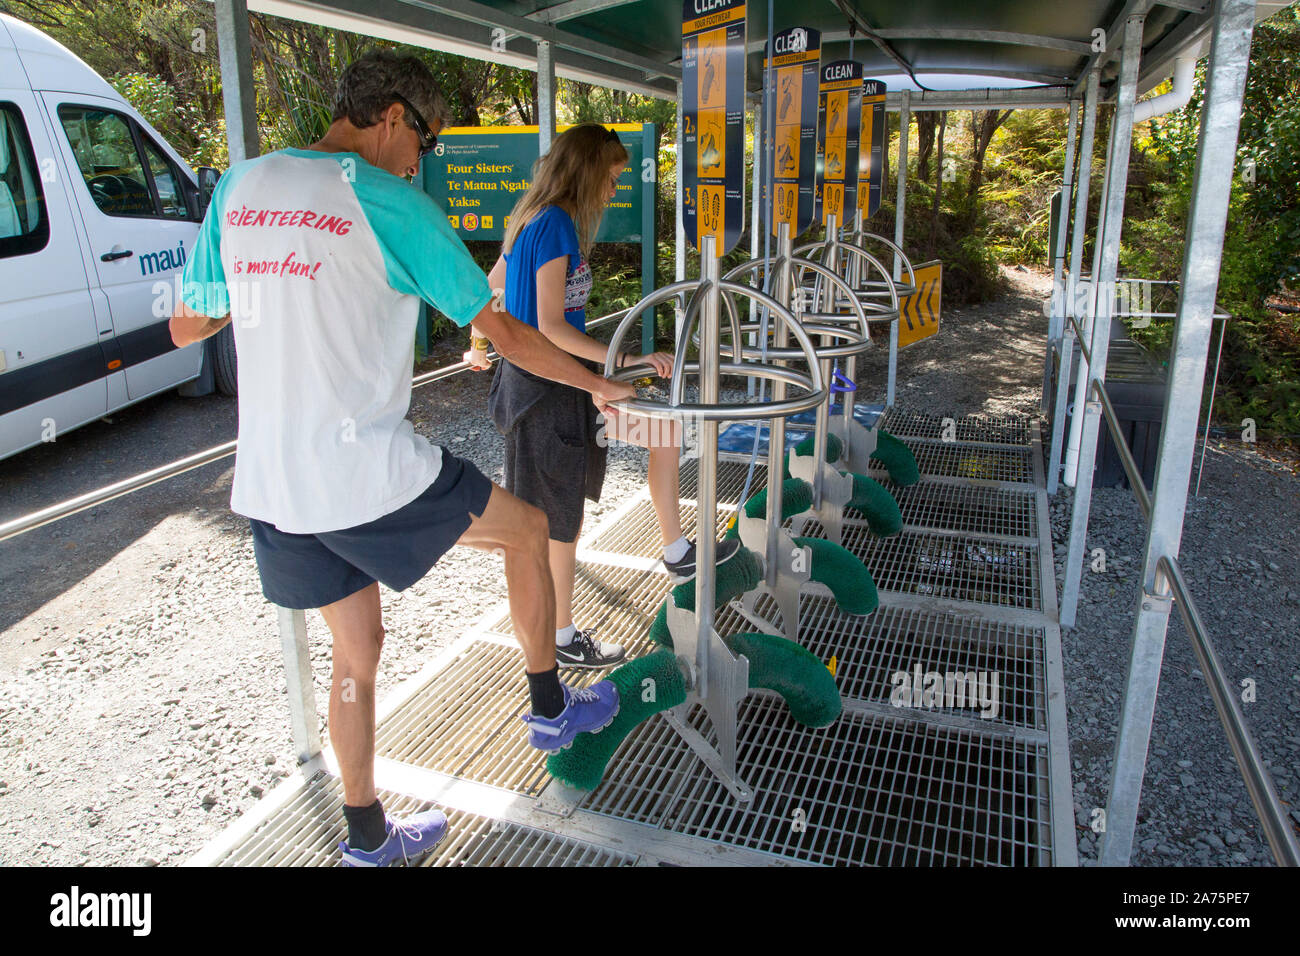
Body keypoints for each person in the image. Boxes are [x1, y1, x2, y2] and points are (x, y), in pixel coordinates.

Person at [169, 52, 636, 868]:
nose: (423, 160)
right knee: (528, 530)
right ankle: (551, 707)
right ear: (391, 118)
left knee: (358, 651)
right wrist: (602, 382)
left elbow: (187, 325)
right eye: (425, 141)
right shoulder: (390, 202)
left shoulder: (240, 188)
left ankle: (366, 839)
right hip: (365, 472)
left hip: (275, 485)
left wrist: (270, 282)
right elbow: (508, 333)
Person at [466, 124, 738, 670]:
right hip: (546, 386)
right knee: (554, 519)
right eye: (611, 177)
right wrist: (615, 371)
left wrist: (478, 339)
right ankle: (559, 638)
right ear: (587, 170)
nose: (614, 189)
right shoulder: (557, 225)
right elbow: (548, 326)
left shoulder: (529, 219)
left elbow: (488, 285)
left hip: (551, 382)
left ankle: (673, 551)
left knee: (646, 439)